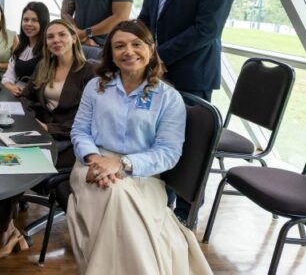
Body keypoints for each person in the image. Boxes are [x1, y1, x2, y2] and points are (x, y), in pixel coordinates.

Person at [67, 20, 212, 275]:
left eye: (137, 44)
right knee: (115, 192)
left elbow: (168, 152)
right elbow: (80, 131)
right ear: (111, 54)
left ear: (151, 49)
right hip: (91, 164)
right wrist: (96, 159)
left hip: (143, 174)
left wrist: (123, 164)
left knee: (118, 194)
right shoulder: (95, 87)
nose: (128, 51)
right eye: (119, 46)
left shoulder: (168, 97)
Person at [137, 0, 236, 223]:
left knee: (190, 152)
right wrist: (134, 50)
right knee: (158, 143)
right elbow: (145, 20)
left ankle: (184, 218)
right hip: (155, 76)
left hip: (191, 76)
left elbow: (207, 29)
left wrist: (158, 57)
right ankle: (156, 213)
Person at [0, 19, 97, 259]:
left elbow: (90, 119)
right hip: (39, 133)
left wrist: (49, 126)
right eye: (51, 37)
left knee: (15, 162)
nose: (56, 40)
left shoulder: (89, 72)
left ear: (73, 38)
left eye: (62, 35)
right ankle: (8, 230)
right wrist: (31, 119)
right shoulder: (44, 66)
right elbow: (27, 98)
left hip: (69, 141)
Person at [1, 2, 49, 96]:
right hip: (17, 97)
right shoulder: (20, 48)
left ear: (43, 22)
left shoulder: (48, 50)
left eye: (34, 20)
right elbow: (8, 77)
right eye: (25, 20)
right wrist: (10, 86)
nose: (28, 24)